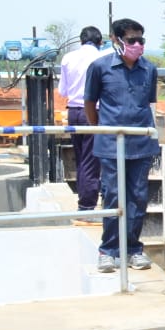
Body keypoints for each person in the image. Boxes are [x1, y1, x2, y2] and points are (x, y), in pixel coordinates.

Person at [83, 18, 159, 273]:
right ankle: (109, 250)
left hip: (141, 145)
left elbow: (148, 103)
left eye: (141, 40)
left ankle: (133, 249)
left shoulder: (149, 69)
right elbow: (90, 103)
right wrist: (101, 130)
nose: (137, 45)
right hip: (111, 145)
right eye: (131, 40)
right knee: (113, 196)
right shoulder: (99, 67)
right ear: (116, 40)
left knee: (138, 198)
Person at [57, 25, 108, 213]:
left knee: (81, 159)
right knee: (91, 160)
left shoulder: (68, 58)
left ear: (81, 41)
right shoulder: (102, 58)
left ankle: (85, 199)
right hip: (93, 112)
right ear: (100, 42)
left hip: (74, 113)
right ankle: (87, 205)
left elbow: (62, 90)